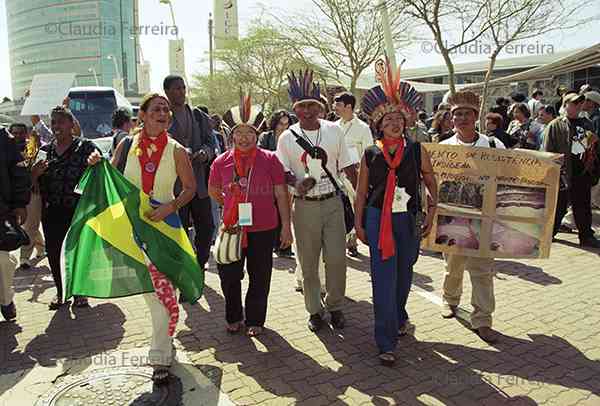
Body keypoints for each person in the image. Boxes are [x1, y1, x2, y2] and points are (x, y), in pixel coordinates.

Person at [89, 92, 198, 384]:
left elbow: (190, 188)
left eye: (166, 110)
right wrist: (96, 163)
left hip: (166, 231)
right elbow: (109, 178)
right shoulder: (126, 144)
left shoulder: (177, 150)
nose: (163, 113)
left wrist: (169, 207)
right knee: (156, 297)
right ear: (143, 116)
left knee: (164, 296)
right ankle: (165, 340)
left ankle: (160, 355)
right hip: (134, 232)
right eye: (156, 109)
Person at [354, 68, 438, 366]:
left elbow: (429, 180)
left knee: (404, 274)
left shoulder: (416, 150)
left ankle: (399, 314)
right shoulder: (370, 153)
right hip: (378, 218)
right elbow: (362, 192)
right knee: (382, 278)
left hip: (408, 218)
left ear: (406, 122)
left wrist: (433, 208)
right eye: (387, 120)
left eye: (398, 119)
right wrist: (359, 223)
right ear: (378, 125)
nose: (393, 123)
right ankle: (385, 339)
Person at [276, 70, 358, 332]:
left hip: (333, 202)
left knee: (336, 259)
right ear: (295, 110)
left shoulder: (334, 131)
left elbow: (348, 167)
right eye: (302, 106)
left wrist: (361, 202)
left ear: (321, 107)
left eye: (313, 105)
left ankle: (335, 306)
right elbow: (282, 171)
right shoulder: (287, 137)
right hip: (305, 205)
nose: (308, 111)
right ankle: (314, 309)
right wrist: (295, 183)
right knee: (308, 261)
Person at [209, 96, 293, 337]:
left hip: (264, 228)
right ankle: (234, 315)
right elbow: (214, 190)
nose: (244, 137)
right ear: (231, 135)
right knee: (228, 275)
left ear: (257, 135)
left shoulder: (271, 160)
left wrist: (286, 227)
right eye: (239, 132)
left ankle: (255, 319)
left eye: (249, 133)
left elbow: (281, 194)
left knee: (260, 275)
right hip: (232, 228)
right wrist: (230, 205)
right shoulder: (219, 163)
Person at [440, 91, 506, 344]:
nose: (462, 118)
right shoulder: (443, 149)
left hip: (484, 218)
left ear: (476, 117)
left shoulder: (492, 146)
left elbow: (508, 176)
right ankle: (450, 300)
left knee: (482, 270)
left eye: (467, 113)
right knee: (453, 266)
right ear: (451, 118)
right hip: (454, 218)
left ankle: (483, 319)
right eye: (457, 114)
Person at [31, 106, 100, 309]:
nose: (56, 126)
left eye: (61, 121)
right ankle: (61, 292)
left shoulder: (85, 147)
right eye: (53, 122)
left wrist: (96, 161)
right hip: (51, 210)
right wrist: (34, 174)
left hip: (78, 210)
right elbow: (32, 184)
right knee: (54, 251)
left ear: (72, 124)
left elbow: (102, 165)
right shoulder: (45, 151)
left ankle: (79, 292)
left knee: (77, 250)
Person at [163, 75, 216, 270]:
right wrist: (177, 153)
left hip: (199, 184)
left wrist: (205, 153)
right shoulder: (162, 117)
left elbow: (212, 143)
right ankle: (184, 270)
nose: (181, 92)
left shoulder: (198, 116)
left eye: (183, 88)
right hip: (175, 187)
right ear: (167, 92)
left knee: (207, 227)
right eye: (176, 89)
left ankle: (199, 264)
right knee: (180, 230)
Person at [543, 93, 600, 248]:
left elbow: (590, 148)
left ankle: (586, 236)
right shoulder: (555, 124)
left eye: (579, 103)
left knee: (583, 206)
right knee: (558, 206)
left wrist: (593, 145)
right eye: (573, 103)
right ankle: (548, 234)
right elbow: (547, 150)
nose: (576, 106)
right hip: (562, 173)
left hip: (582, 172)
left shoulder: (586, 123)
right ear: (565, 104)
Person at [334, 91, 373, 257]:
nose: (335, 108)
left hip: (355, 176)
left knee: (354, 206)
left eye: (338, 105)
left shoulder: (363, 128)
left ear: (349, 106)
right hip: (335, 175)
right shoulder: (334, 126)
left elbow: (370, 152)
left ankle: (352, 241)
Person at [0, 127, 30, 321]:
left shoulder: (3, 138)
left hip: (1, 211)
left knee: (3, 261)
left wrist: (20, 204)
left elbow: (18, 171)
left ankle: (5, 300)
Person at [258, 109, 295, 258]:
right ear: (275, 123)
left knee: (285, 211)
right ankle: (274, 244)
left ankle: (285, 247)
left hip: (287, 180)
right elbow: (261, 153)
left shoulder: (292, 137)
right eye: (281, 123)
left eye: (287, 124)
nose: (283, 127)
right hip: (269, 180)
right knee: (272, 211)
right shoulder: (266, 136)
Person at [9, 124, 45, 269]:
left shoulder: (33, 150)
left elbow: (40, 166)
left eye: (21, 133)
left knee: (30, 225)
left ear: (26, 134)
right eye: (14, 133)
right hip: (12, 194)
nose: (17, 136)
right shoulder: (6, 150)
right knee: (27, 225)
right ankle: (41, 245)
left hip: (31, 192)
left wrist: (34, 178)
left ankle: (24, 257)